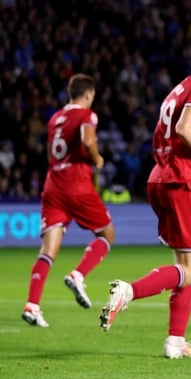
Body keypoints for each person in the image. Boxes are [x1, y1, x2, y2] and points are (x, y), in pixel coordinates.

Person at [98, 39, 191, 359]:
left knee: (185, 266)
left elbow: (175, 141)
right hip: (181, 183)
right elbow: (186, 129)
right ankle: (128, 291)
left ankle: (175, 341)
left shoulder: (180, 88)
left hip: (162, 177)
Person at [21, 73, 115, 327]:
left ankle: (32, 306)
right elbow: (88, 139)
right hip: (77, 184)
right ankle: (78, 274)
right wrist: (96, 158)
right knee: (107, 234)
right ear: (88, 94)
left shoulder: (55, 118)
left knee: (48, 251)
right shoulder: (87, 115)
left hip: (53, 186)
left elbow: (54, 151)